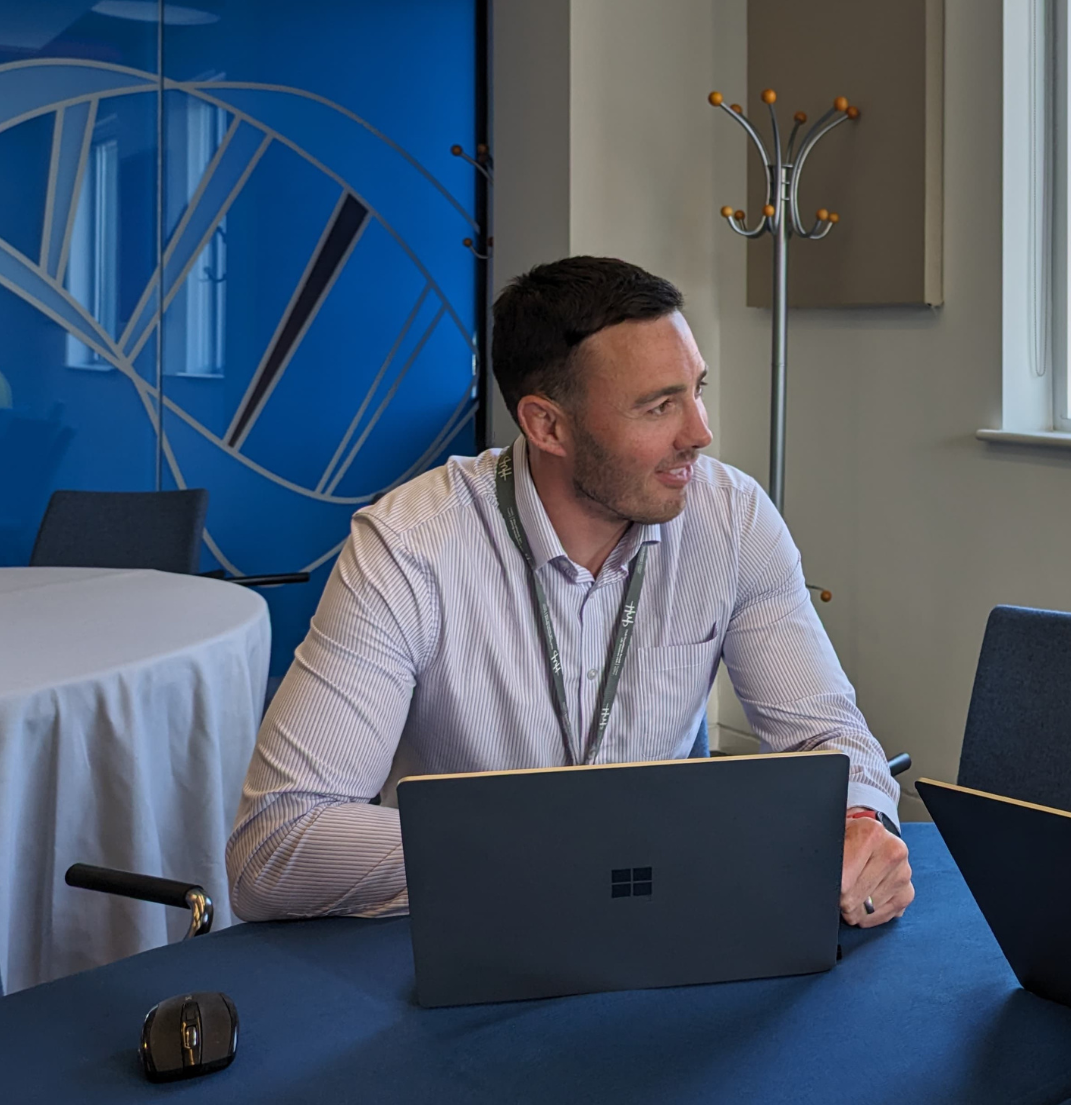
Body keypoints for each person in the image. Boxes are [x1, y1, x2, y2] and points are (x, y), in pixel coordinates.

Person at [228, 256, 912, 929]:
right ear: (546, 425)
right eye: (658, 406)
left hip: (669, 926)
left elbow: (826, 735)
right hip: (474, 933)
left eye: (696, 389)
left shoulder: (730, 519)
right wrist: (566, 853)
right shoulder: (410, 548)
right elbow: (276, 844)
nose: (700, 433)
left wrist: (859, 821)